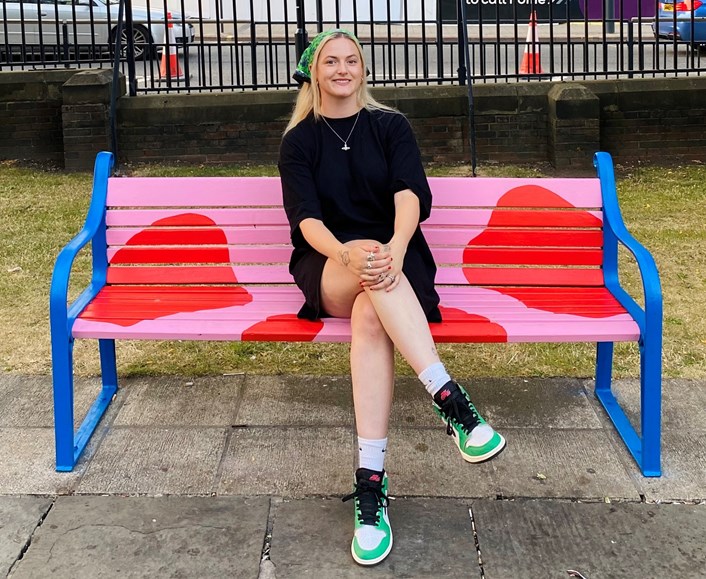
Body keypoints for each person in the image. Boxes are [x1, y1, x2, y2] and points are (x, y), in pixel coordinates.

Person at [278, 29, 506, 567]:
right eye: (330, 62)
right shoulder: (299, 141)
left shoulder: (390, 126)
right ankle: (452, 402)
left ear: (363, 68)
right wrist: (345, 252)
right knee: (365, 277)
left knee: (371, 308)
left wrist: (397, 246)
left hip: (398, 262)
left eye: (351, 60)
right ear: (314, 73)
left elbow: (410, 193)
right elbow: (305, 218)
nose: (342, 69)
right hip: (330, 262)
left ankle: (370, 487)